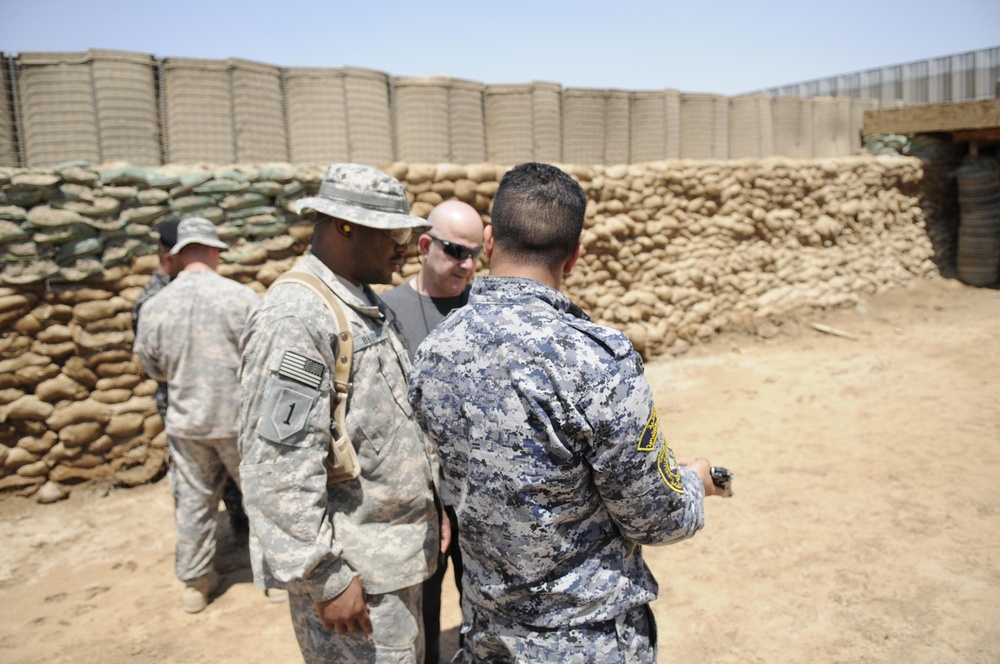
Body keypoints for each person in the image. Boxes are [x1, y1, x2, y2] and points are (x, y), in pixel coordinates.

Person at [408, 162, 729, 663]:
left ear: (489, 241)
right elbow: (655, 518)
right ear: (574, 257)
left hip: (488, 635)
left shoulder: (433, 351)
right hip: (583, 641)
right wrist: (696, 483)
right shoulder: (596, 362)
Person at [238, 163, 443, 663]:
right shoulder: (298, 317)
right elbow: (277, 463)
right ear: (344, 226)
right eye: (392, 233)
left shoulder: (361, 301)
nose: (402, 247)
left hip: (390, 562)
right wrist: (324, 576)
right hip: (355, 579)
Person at [133, 216, 260, 614]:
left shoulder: (155, 305)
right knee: (260, 498)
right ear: (215, 251)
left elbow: (151, 367)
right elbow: (260, 358)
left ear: (177, 253)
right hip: (238, 421)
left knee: (193, 502)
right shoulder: (241, 298)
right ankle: (274, 578)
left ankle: (196, 583)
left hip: (187, 421)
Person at [380, 200, 484, 664]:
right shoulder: (386, 312)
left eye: (474, 254)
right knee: (420, 612)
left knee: (480, 609)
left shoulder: (483, 308)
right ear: (424, 246)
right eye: (455, 251)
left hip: (478, 496)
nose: (467, 265)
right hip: (419, 499)